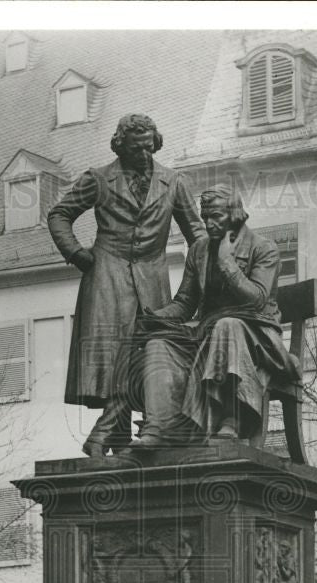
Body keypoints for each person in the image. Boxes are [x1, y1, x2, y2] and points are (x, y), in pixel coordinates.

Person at [47, 113, 205, 458]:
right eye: (136, 149)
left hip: (152, 277)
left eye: (149, 148)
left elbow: (197, 234)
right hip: (107, 275)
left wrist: (208, 271)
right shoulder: (98, 179)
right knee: (109, 355)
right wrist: (77, 254)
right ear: (121, 145)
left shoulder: (174, 182)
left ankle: (129, 434)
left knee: (151, 350)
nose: (144, 155)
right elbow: (59, 214)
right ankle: (115, 434)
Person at [132, 186, 300, 447]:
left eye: (216, 217)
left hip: (256, 337)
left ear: (234, 215)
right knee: (159, 343)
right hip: (206, 335)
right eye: (205, 217)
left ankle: (232, 419)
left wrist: (226, 263)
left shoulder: (264, 248)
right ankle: (158, 428)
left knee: (227, 325)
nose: (209, 224)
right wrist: (155, 317)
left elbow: (257, 299)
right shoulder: (199, 250)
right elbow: (185, 303)